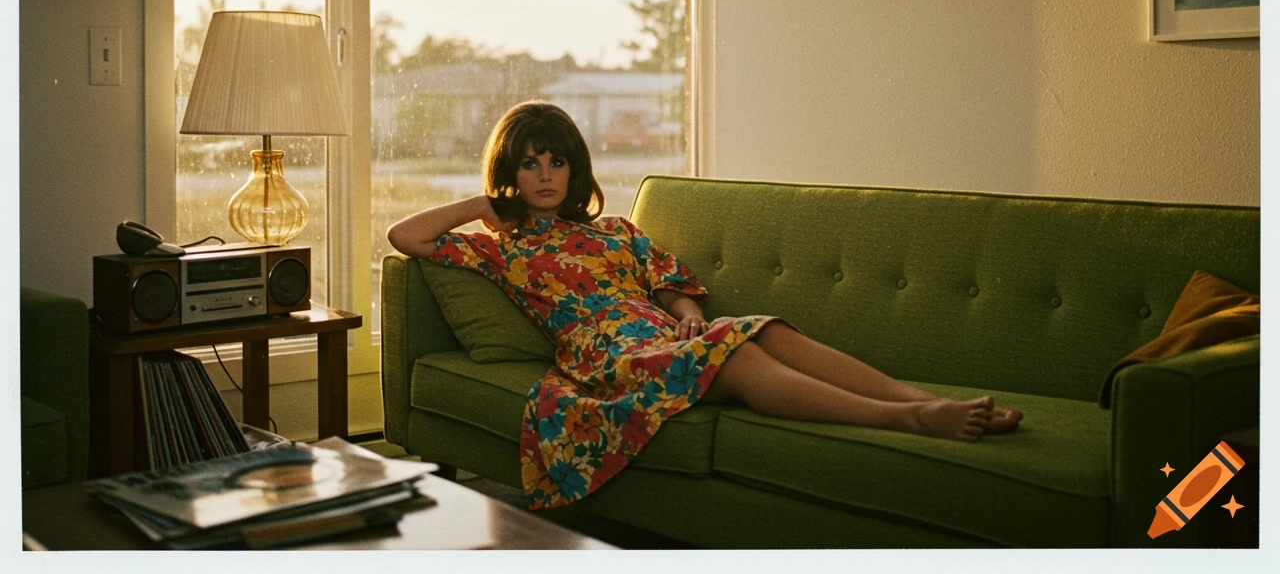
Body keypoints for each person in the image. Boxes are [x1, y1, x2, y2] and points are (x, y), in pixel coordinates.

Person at [387, 100, 1022, 509]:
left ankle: (920, 401)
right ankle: (905, 422)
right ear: (511, 173)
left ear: (575, 168)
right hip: (608, 356)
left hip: (663, 333)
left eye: (557, 161)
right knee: (736, 362)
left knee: (765, 331)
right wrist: (481, 205)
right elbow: (406, 237)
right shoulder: (506, 248)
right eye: (529, 165)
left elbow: (670, 284)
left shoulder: (615, 231)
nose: (546, 174)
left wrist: (688, 315)